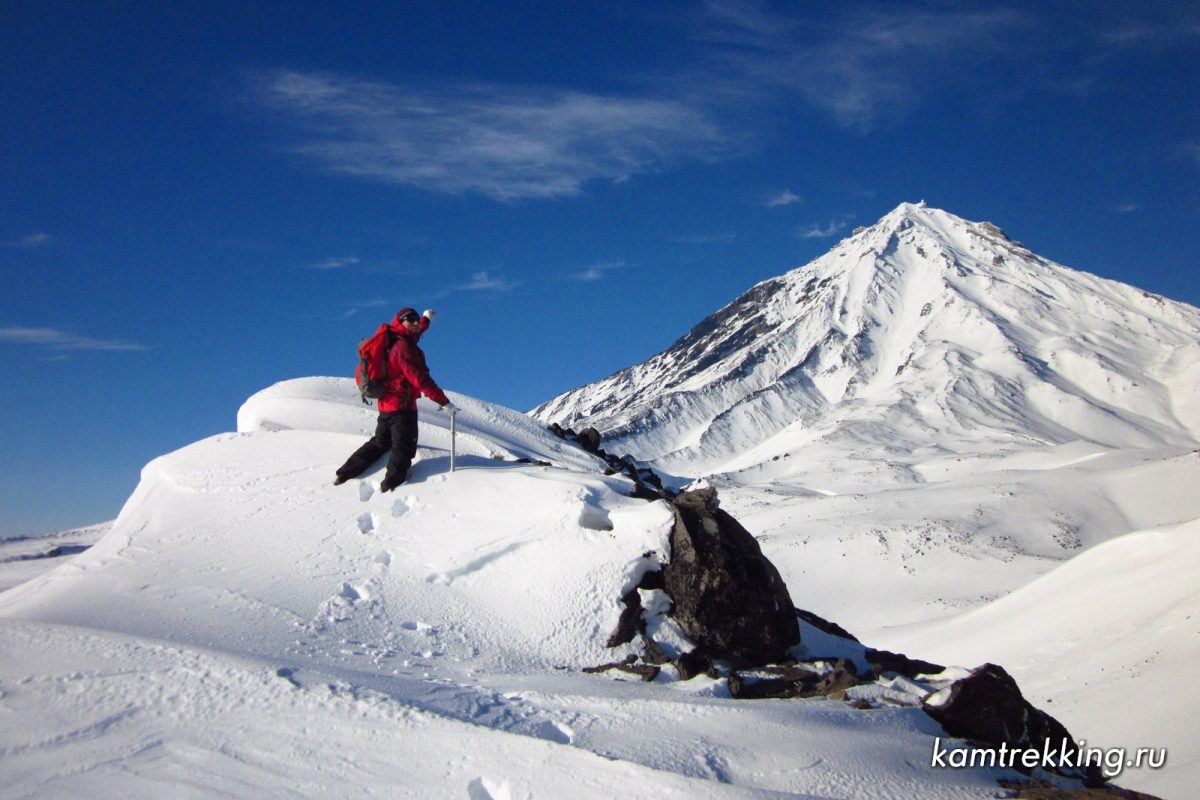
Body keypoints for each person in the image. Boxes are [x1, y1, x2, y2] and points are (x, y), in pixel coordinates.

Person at [334, 307, 459, 491]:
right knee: (403, 446)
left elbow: (415, 332)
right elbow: (420, 379)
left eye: (417, 320)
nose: (416, 323)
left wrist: (426, 320)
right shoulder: (403, 348)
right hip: (402, 406)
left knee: (380, 442)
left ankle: (345, 472)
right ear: (401, 322)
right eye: (411, 320)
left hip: (386, 404)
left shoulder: (395, 337)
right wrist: (443, 401)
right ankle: (393, 485)